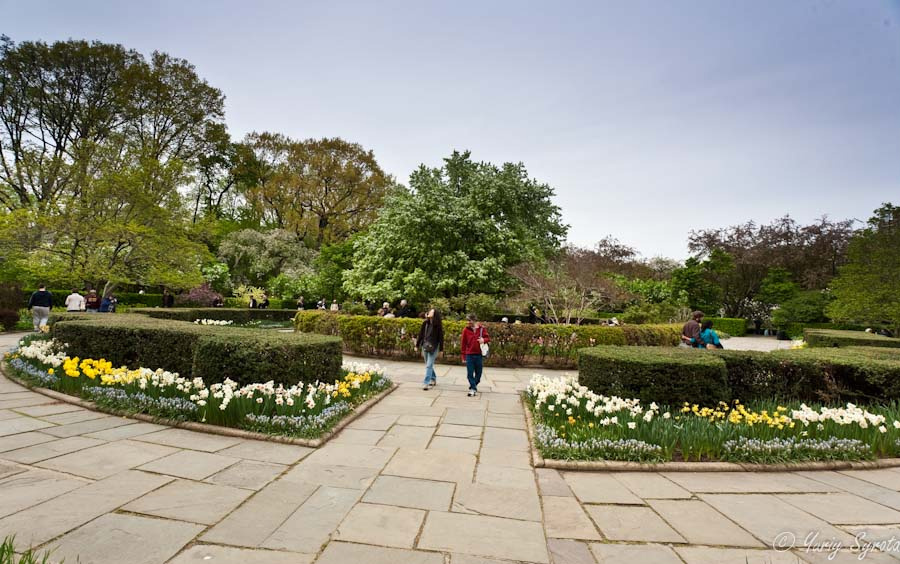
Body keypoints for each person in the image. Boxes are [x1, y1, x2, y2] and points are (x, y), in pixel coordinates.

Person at [460, 314, 490, 396]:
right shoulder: (465, 330)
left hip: (479, 355)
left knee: (478, 374)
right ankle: (473, 389)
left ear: (474, 320)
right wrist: (463, 356)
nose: (468, 322)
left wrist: (483, 339)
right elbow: (463, 344)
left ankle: (473, 386)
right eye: (467, 320)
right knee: (470, 373)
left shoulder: (482, 329)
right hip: (469, 354)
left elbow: (488, 338)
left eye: (469, 320)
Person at [416, 308, 444, 390]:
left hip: (434, 347)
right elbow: (420, 335)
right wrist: (417, 345)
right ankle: (433, 378)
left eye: (431, 311)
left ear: (435, 314)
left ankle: (426, 383)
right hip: (425, 346)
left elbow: (441, 338)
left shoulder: (437, 325)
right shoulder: (425, 323)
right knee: (428, 364)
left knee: (429, 365)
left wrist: (441, 350)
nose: (429, 312)